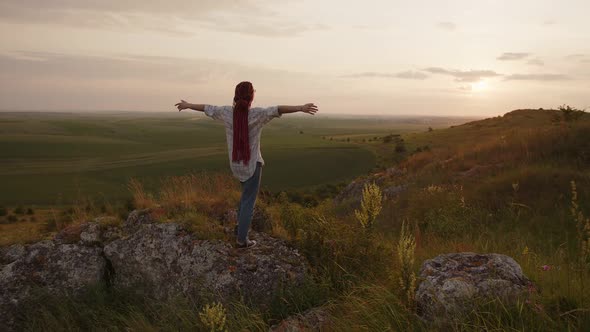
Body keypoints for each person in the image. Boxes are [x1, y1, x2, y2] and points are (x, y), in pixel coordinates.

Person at [175, 81, 318, 249]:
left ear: (235, 95)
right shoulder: (257, 115)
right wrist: (300, 107)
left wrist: (188, 105)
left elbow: (207, 107)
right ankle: (242, 240)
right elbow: (278, 109)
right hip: (252, 165)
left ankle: (239, 230)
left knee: (244, 198)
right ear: (252, 96)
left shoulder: (226, 112)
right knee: (249, 202)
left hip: (236, 164)